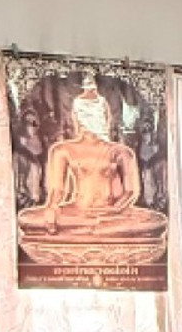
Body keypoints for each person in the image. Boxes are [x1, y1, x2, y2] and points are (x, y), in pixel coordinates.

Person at [18, 74, 155, 240]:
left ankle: (93, 230)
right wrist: (52, 208)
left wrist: (113, 212)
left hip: (111, 214)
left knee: (154, 220)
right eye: (86, 114)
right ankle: (94, 230)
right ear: (77, 117)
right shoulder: (63, 150)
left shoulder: (120, 152)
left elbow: (130, 192)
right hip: (77, 213)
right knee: (27, 218)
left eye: (99, 113)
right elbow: (57, 191)